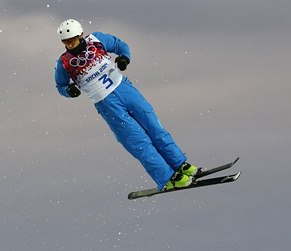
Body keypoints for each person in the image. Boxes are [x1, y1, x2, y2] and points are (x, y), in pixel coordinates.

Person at [54, 19, 198, 191]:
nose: (69, 45)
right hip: (107, 104)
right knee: (137, 140)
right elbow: (60, 86)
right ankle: (167, 178)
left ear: (81, 35)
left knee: (153, 126)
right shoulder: (63, 63)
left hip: (125, 89)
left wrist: (124, 58)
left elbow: (120, 45)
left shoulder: (97, 40)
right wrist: (69, 90)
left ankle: (179, 165)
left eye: (72, 40)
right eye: (66, 42)